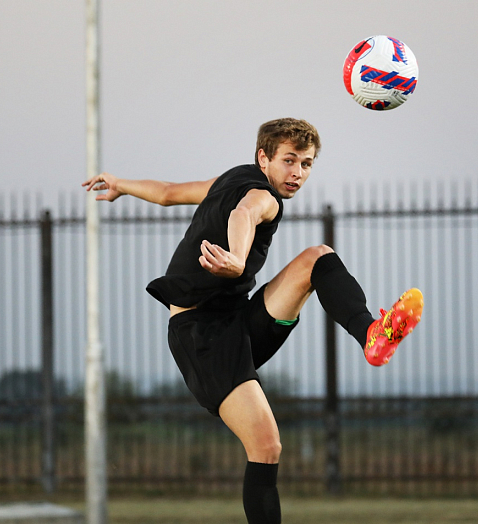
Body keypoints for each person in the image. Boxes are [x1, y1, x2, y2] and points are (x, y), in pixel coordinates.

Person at [83, 117, 422, 524]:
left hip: (237, 320)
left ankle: (371, 334)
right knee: (266, 447)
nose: (297, 173)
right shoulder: (264, 197)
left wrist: (121, 184)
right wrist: (238, 259)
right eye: (289, 160)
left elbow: (169, 193)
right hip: (203, 339)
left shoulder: (230, 179)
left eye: (307, 164)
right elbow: (244, 213)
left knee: (318, 258)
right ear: (264, 158)